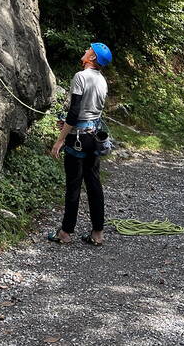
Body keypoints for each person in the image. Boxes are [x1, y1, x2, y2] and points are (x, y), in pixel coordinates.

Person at [49, 42, 112, 247]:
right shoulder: (102, 81)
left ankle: (66, 232)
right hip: (93, 137)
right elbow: (89, 112)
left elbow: (75, 112)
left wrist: (60, 139)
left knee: (74, 186)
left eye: (89, 50)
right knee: (94, 185)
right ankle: (97, 233)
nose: (85, 51)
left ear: (92, 58)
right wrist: (69, 122)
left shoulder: (80, 77)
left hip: (76, 139)